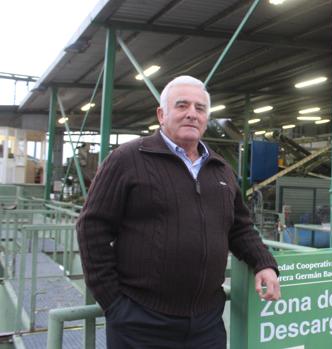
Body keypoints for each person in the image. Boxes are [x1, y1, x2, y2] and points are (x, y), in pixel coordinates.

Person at [76, 75, 280, 348]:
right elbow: (92, 227)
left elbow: (239, 227)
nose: (192, 115)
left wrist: (264, 262)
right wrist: (114, 304)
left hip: (206, 322)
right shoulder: (128, 159)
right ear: (162, 114)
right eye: (182, 106)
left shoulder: (221, 170)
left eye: (200, 108)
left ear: (206, 118)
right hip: (140, 321)